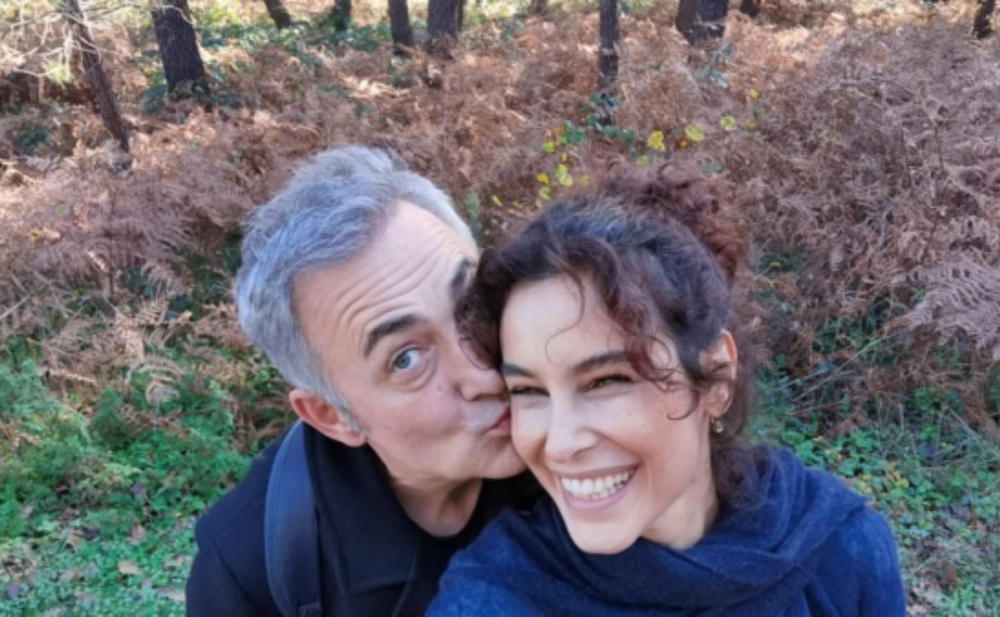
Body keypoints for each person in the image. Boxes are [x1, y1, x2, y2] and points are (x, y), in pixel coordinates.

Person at [428, 166, 907, 616]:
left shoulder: (841, 549)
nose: (559, 443)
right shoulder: (492, 597)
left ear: (716, 378)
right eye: (528, 390)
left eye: (606, 381)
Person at [186, 146, 533, 617]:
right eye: (406, 358)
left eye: (471, 303)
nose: (486, 374)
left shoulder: (587, 433)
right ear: (333, 416)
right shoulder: (249, 573)